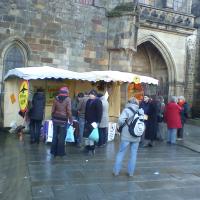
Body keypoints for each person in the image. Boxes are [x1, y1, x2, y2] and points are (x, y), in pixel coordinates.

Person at [113, 97, 143, 177]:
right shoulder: (140, 111)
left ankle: (116, 171)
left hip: (126, 134)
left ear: (129, 102)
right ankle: (131, 173)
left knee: (121, 152)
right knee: (133, 154)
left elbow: (120, 120)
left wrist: (121, 124)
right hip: (136, 134)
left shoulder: (127, 110)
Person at [51, 86, 72, 157]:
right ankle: (60, 153)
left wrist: (53, 117)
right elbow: (69, 111)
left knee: (55, 136)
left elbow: (53, 110)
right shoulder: (68, 99)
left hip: (55, 120)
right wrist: (71, 119)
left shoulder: (55, 99)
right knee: (62, 137)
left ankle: (54, 152)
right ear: (66, 92)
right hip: (63, 120)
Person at [83, 89, 103, 155]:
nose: (89, 95)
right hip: (88, 120)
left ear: (94, 95)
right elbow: (86, 110)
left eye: (91, 94)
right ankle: (87, 147)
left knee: (92, 135)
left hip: (94, 121)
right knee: (86, 135)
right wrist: (85, 118)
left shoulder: (98, 101)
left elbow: (100, 112)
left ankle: (92, 148)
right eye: (89, 94)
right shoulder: (88, 101)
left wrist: (98, 121)